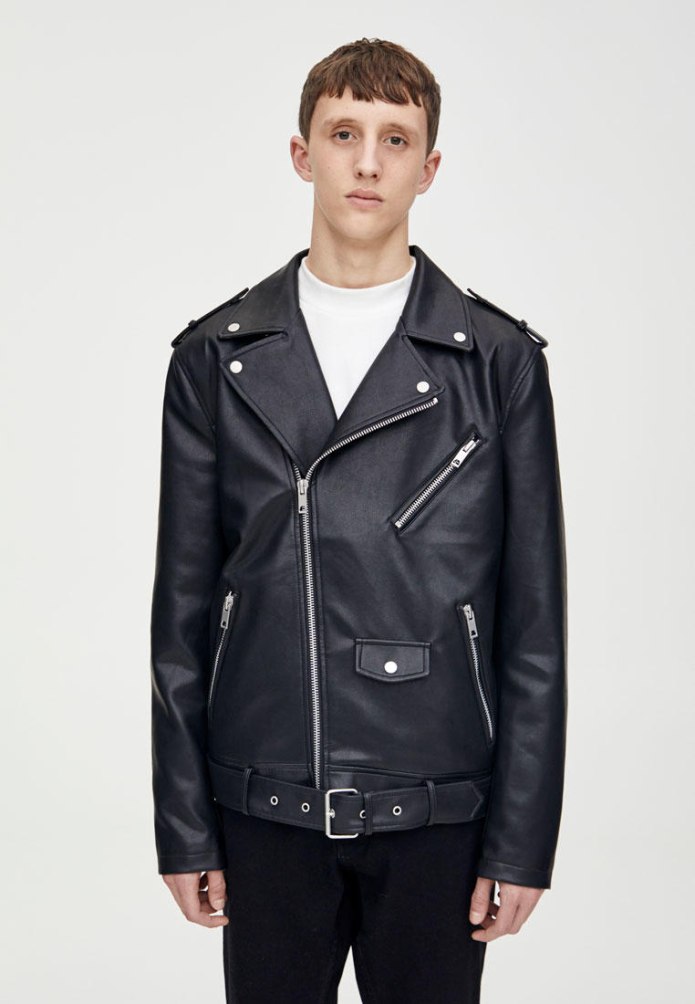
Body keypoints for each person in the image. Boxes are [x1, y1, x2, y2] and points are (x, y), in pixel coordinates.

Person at [150, 37, 568, 1003]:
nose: (368, 162)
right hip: (262, 807)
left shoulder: (498, 364)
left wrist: (519, 841)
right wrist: (185, 825)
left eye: (394, 139)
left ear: (430, 167)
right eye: (344, 134)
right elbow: (180, 614)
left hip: (439, 813)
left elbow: (533, 626)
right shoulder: (215, 358)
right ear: (303, 154)